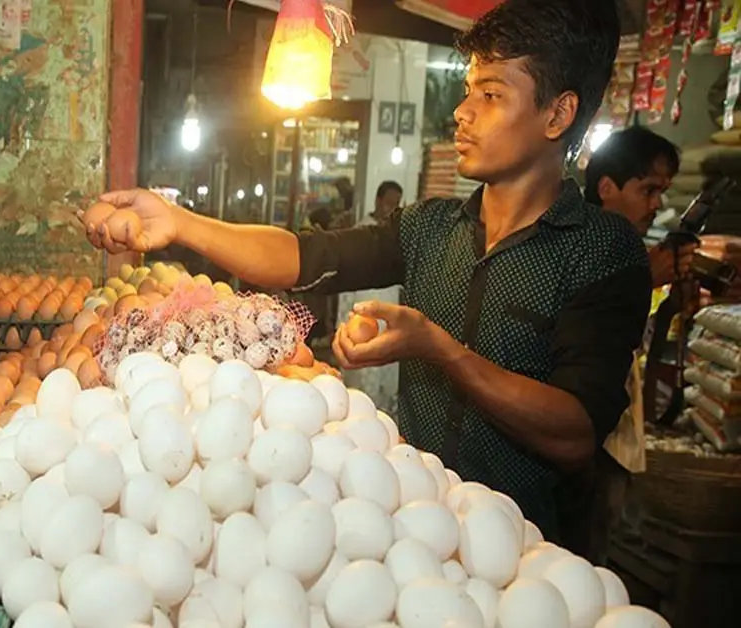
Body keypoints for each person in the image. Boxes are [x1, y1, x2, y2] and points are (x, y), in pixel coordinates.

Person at [79, 0, 651, 541]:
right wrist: (180, 223)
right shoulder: (432, 227)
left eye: (492, 94)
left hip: (527, 558)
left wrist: (440, 349)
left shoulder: (600, 251)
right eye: (467, 88)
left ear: (558, 113)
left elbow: (576, 433)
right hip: (414, 534)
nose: (462, 110)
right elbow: (306, 257)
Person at [585, 126, 694, 288]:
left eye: (661, 192)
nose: (657, 204)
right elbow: (584, 311)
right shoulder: (573, 252)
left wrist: (673, 307)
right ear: (606, 189)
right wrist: (645, 280)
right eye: (648, 190)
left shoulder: (624, 253)